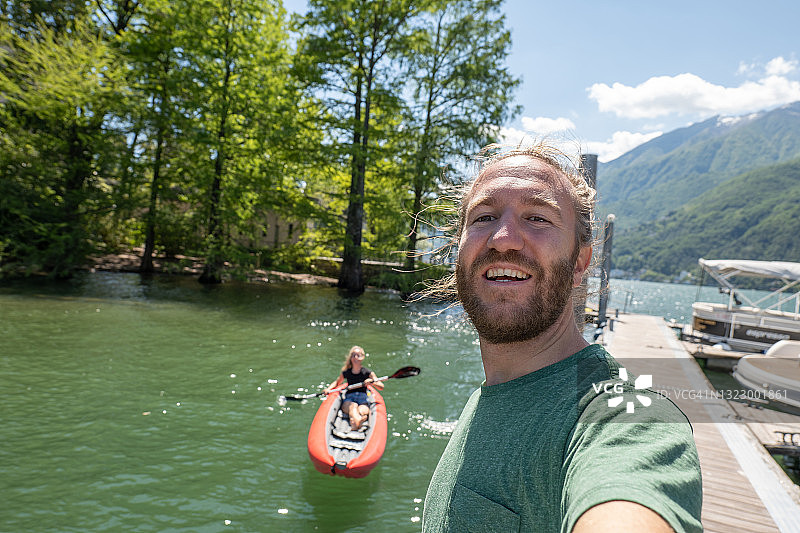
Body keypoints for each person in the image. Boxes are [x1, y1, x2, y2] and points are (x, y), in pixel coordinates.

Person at [422, 143, 702, 532]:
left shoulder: (622, 415)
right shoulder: (492, 394)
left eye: (537, 218)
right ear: (459, 252)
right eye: (484, 217)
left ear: (579, 263)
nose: (503, 238)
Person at [324, 346, 383, 430]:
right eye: (353, 355)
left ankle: (355, 423)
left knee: (363, 411)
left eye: (358, 355)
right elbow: (337, 382)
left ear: (362, 357)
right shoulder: (347, 372)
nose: (355, 357)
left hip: (363, 398)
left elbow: (381, 386)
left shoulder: (367, 372)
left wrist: (372, 382)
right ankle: (358, 421)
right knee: (353, 406)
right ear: (351, 358)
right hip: (349, 398)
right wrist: (328, 389)